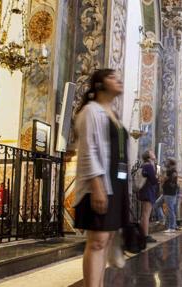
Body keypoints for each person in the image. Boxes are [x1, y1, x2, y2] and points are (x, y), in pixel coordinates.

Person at [73, 69, 129, 287]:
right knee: (97, 241)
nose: (119, 79)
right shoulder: (90, 111)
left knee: (106, 239)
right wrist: (96, 185)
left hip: (116, 183)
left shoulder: (112, 114)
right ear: (99, 84)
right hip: (99, 184)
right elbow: (88, 150)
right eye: (113, 77)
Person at [137, 150, 159, 243]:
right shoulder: (149, 166)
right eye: (151, 152)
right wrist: (157, 178)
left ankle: (143, 234)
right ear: (148, 156)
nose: (153, 152)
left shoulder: (144, 165)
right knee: (146, 214)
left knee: (144, 214)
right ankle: (145, 236)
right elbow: (153, 181)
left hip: (144, 191)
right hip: (148, 191)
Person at [162, 168, 179, 233]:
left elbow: (163, 183)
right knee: (171, 210)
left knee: (171, 211)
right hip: (170, 194)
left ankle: (172, 227)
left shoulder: (170, 175)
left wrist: (164, 179)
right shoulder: (174, 174)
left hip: (169, 194)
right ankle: (171, 226)